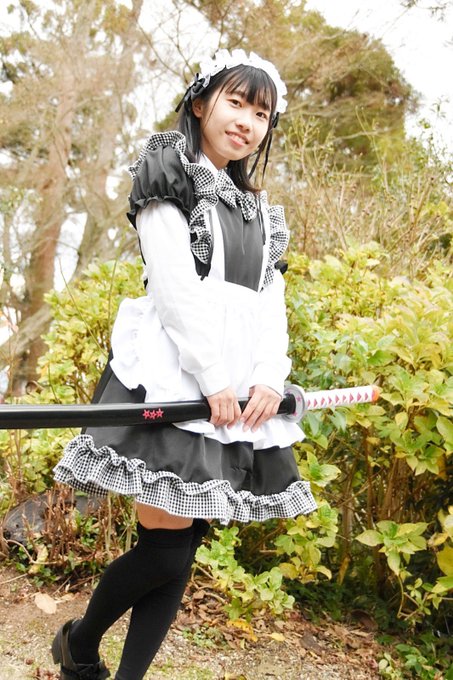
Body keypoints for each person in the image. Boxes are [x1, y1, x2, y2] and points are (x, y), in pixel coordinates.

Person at [51, 48, 317, 680]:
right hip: (174, 376)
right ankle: (80, 646)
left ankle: (93, 660)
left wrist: (267, 378)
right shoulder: (170, 171)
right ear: (200, 103)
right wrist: (213, 377)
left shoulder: (258, 210)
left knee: (179, 546)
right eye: (235, 103)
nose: (247, 122)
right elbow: (173, 288)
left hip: (235, 389)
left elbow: (268, 304)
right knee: (168, 551)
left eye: (261, 113)